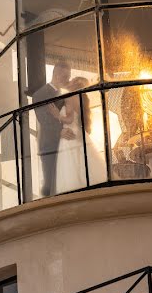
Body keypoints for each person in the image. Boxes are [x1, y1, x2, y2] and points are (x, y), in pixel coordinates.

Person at [55, 78, 107, 194]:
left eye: (72, 81)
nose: (68, 82)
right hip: (78, 133)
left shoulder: (70, 97)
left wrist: (56, 114)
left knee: (73, 166)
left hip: (70, 134)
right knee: (84, 163)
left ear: (74, 85)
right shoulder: (82, 99)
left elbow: (69, 119)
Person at [33, 61, 71, 197]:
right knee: (50, 181)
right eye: (66, 76)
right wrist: (60, 131)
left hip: (65, 145)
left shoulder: (64, 94)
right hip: (49, 146)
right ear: (56, 74)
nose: (68, 79)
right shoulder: (40, 94)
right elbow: (43, 119)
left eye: (69, 76)